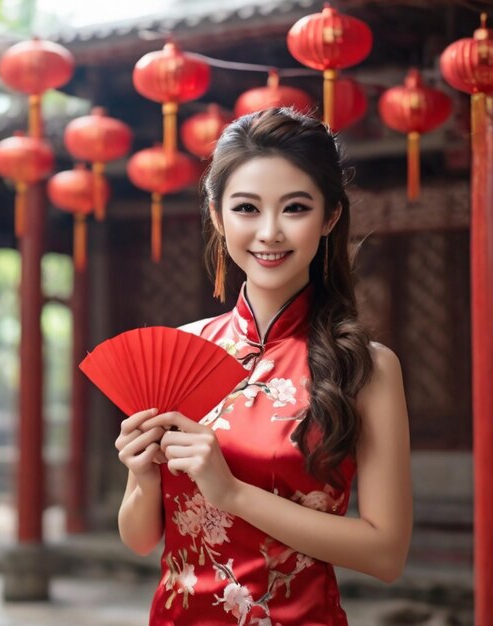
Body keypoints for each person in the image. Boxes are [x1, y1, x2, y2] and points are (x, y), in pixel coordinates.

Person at [115, 107, 412, 625]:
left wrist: (230, 492)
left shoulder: (365, 368)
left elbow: (385, 554)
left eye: (295, 208)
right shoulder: (180, 352)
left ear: (330, 218)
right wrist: (141, 477)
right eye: (247, 208)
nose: (270, 232)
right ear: (217, 215)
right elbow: (141, 538)